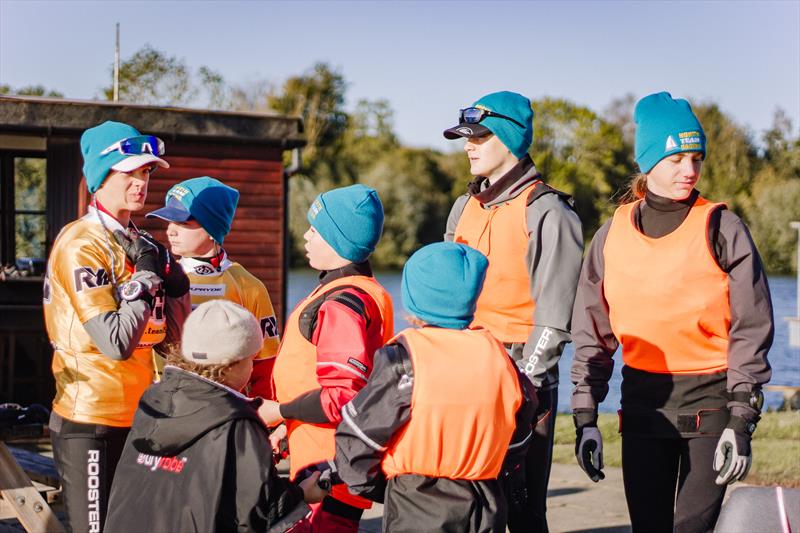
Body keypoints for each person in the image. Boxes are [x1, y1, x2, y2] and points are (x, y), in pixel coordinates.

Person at [570, 92, 773, 533]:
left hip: (712, 408)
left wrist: (741, 420)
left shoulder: (723, 228)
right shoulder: (611, 235)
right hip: (643, 408)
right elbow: (592, 334)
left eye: (696, 158)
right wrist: (585, 417)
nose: (690, 170)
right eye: (676, 158)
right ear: (648, 162)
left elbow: (752, 328)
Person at [443, 91, 583, 531]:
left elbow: (555, 321)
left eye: (479, 137)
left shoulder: (548, 212)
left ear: (510, 139)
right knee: (467, 509)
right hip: (468, 373)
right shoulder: (464, 207)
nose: (469, 146)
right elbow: (445, 300)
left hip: (524, 378)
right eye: (466, 138)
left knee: (523, 514)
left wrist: (525, 385)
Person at [43, 121, 190, 532]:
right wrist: (146, 276)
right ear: (100, 176)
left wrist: (177, 289)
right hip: (91, 419)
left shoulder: (138, 240)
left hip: (140, 415)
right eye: (130, 172)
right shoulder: (82, 242)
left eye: (146, 172)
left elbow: (171, 342)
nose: (141, 183)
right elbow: (115, 342)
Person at [335, 241, 537, 532]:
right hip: (485, 502)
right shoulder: (501, 360)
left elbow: (358, 436)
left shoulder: (404, 359)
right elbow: (521, 431)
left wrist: (376, 488)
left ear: (414, 300)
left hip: (416, 503)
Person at [105, 300, 326, 532]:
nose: (252, 368)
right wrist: (301, 493)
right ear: (230, 364)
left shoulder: (154, 400)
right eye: (251, 359)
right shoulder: (238, 424)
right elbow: (257, 509)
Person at [258, 184, 394, 532]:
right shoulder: (352, 290)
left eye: (315, 230)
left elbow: (343, 396)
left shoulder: (343, 303)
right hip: (325, 461)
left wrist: (279, 411)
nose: (305, 236)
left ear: (338, 242)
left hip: (330, 473)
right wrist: (288, 428)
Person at [146, 176, 280, 398]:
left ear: (211, 229)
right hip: (163, 401)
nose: (170, 231)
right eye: (169, 222)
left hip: (222, 404)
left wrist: (261, 414)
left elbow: (266, 365)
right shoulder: (159, 277)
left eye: (182, 223)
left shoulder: (249, 286)